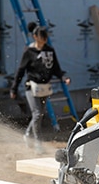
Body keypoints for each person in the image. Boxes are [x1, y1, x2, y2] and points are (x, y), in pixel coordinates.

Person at [10, 26, 70, 154]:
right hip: (31, 87)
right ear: (35, 37)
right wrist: (14, 88)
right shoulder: (29, 51)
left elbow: (56, 69)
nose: (44, 39)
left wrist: (63, 77)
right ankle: (38, 142)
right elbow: (20, 71)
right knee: (37, 114)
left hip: (44, 88)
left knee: (40, 114)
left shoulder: (50, 51)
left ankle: (27, 134)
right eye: (41, 36)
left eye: (45, 36)